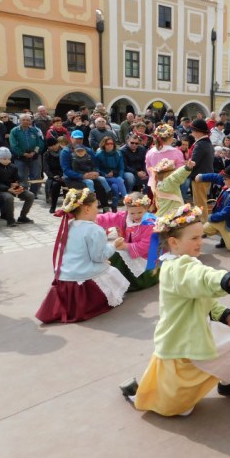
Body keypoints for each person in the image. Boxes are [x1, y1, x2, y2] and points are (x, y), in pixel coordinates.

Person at [119, 204, 230, 416]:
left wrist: (226, 316)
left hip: (197, 328)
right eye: (194, 238)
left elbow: (203, 295)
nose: (200, 242)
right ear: (173, 242)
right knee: (178, 407)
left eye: (201, 236)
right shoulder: (177, 267)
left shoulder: (184, 262)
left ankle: (227, 380)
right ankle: (141, 395)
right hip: (181, 338)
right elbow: (203, 278)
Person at [35, 189, 129, 323]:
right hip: (82, 275)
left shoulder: (70, 225)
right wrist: (113, 245)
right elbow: (98, 257)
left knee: (105, 266)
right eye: (96, 206)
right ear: (86, 209)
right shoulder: (95, 229)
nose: (98, 210)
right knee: (111, 271)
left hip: (65, 275)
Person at [96, 192, 159, 291]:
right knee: (110, 253)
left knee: (116, 255)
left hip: (147, 259)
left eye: (140, 212)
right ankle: (112, 283)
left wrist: (125, 246)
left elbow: (147, 246)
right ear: (127, 210)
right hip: (130, 251)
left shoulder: (149, 223)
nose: (136, 216)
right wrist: (88, 219)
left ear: (146, 209)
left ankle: (125, 283)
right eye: (132, 213)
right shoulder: (123, 217)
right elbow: (107, 218)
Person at [196, 165, 230, 251]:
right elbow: (215, 176)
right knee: (201, 231)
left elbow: (226, 213)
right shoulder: (228, 183)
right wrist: (201, 177)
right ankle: (224, 236)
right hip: (219, 219)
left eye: (225, 178)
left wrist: (210, 217)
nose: (223, 180)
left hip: (229, 223)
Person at [0, 147, 36, 226]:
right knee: (9, 197)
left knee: (30, 195)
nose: (6, 160)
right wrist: (8, 189)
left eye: (8, 158)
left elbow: (20, 179)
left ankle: (23, 217)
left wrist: (19, 185)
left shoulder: (13, 167)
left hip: (12, 188)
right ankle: (10, 220)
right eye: (4, 158)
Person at [9, 113, 44, 198]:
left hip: (34, 156)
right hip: (20, 157)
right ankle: (23, 194)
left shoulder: (35, 130)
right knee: (21, 176)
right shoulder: (14, 131)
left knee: (36, 176)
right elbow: (13, 145)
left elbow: (40, 143)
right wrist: (22, 153)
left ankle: (33, 194)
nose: (25, 121)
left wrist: (34, 152)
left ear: (30, 121)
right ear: (19, 121)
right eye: (23, 120)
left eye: (28, 120)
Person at [189, 119, 214, 221]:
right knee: (201, 200)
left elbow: (194, 162)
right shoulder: (206, 143)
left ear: (198, 132)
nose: (192, 132)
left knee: (200, 202)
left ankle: (203, 223)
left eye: (193, 130)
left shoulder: (200, 145)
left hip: (200, 177)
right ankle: (201, 221)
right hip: (205, 175)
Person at [95, 136, 127, 211]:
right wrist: (105, 174)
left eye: (111, 143)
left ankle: (114, 207)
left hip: (116, 176)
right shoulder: (99, 155)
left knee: (115, 186)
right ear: (103, 145)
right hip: (105, 177)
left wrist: (120, 176)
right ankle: (127, 199)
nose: (110, 145)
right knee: (120, 182)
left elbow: (122, 167)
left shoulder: (118, 153)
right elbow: (96, 168)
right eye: (107, 144)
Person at [43, 137, 66, 213]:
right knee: (55, 184)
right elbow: (46, 168)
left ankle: (68, 205)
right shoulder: (47, 155)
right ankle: (53, 206)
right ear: (49, 147)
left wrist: (65, 175)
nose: (54, 147)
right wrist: (53, 176)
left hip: (65, 175)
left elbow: (68, 165)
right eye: (51, 146)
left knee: (69, 184)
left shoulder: (64, 152)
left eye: (55, 144)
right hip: (54, 176)